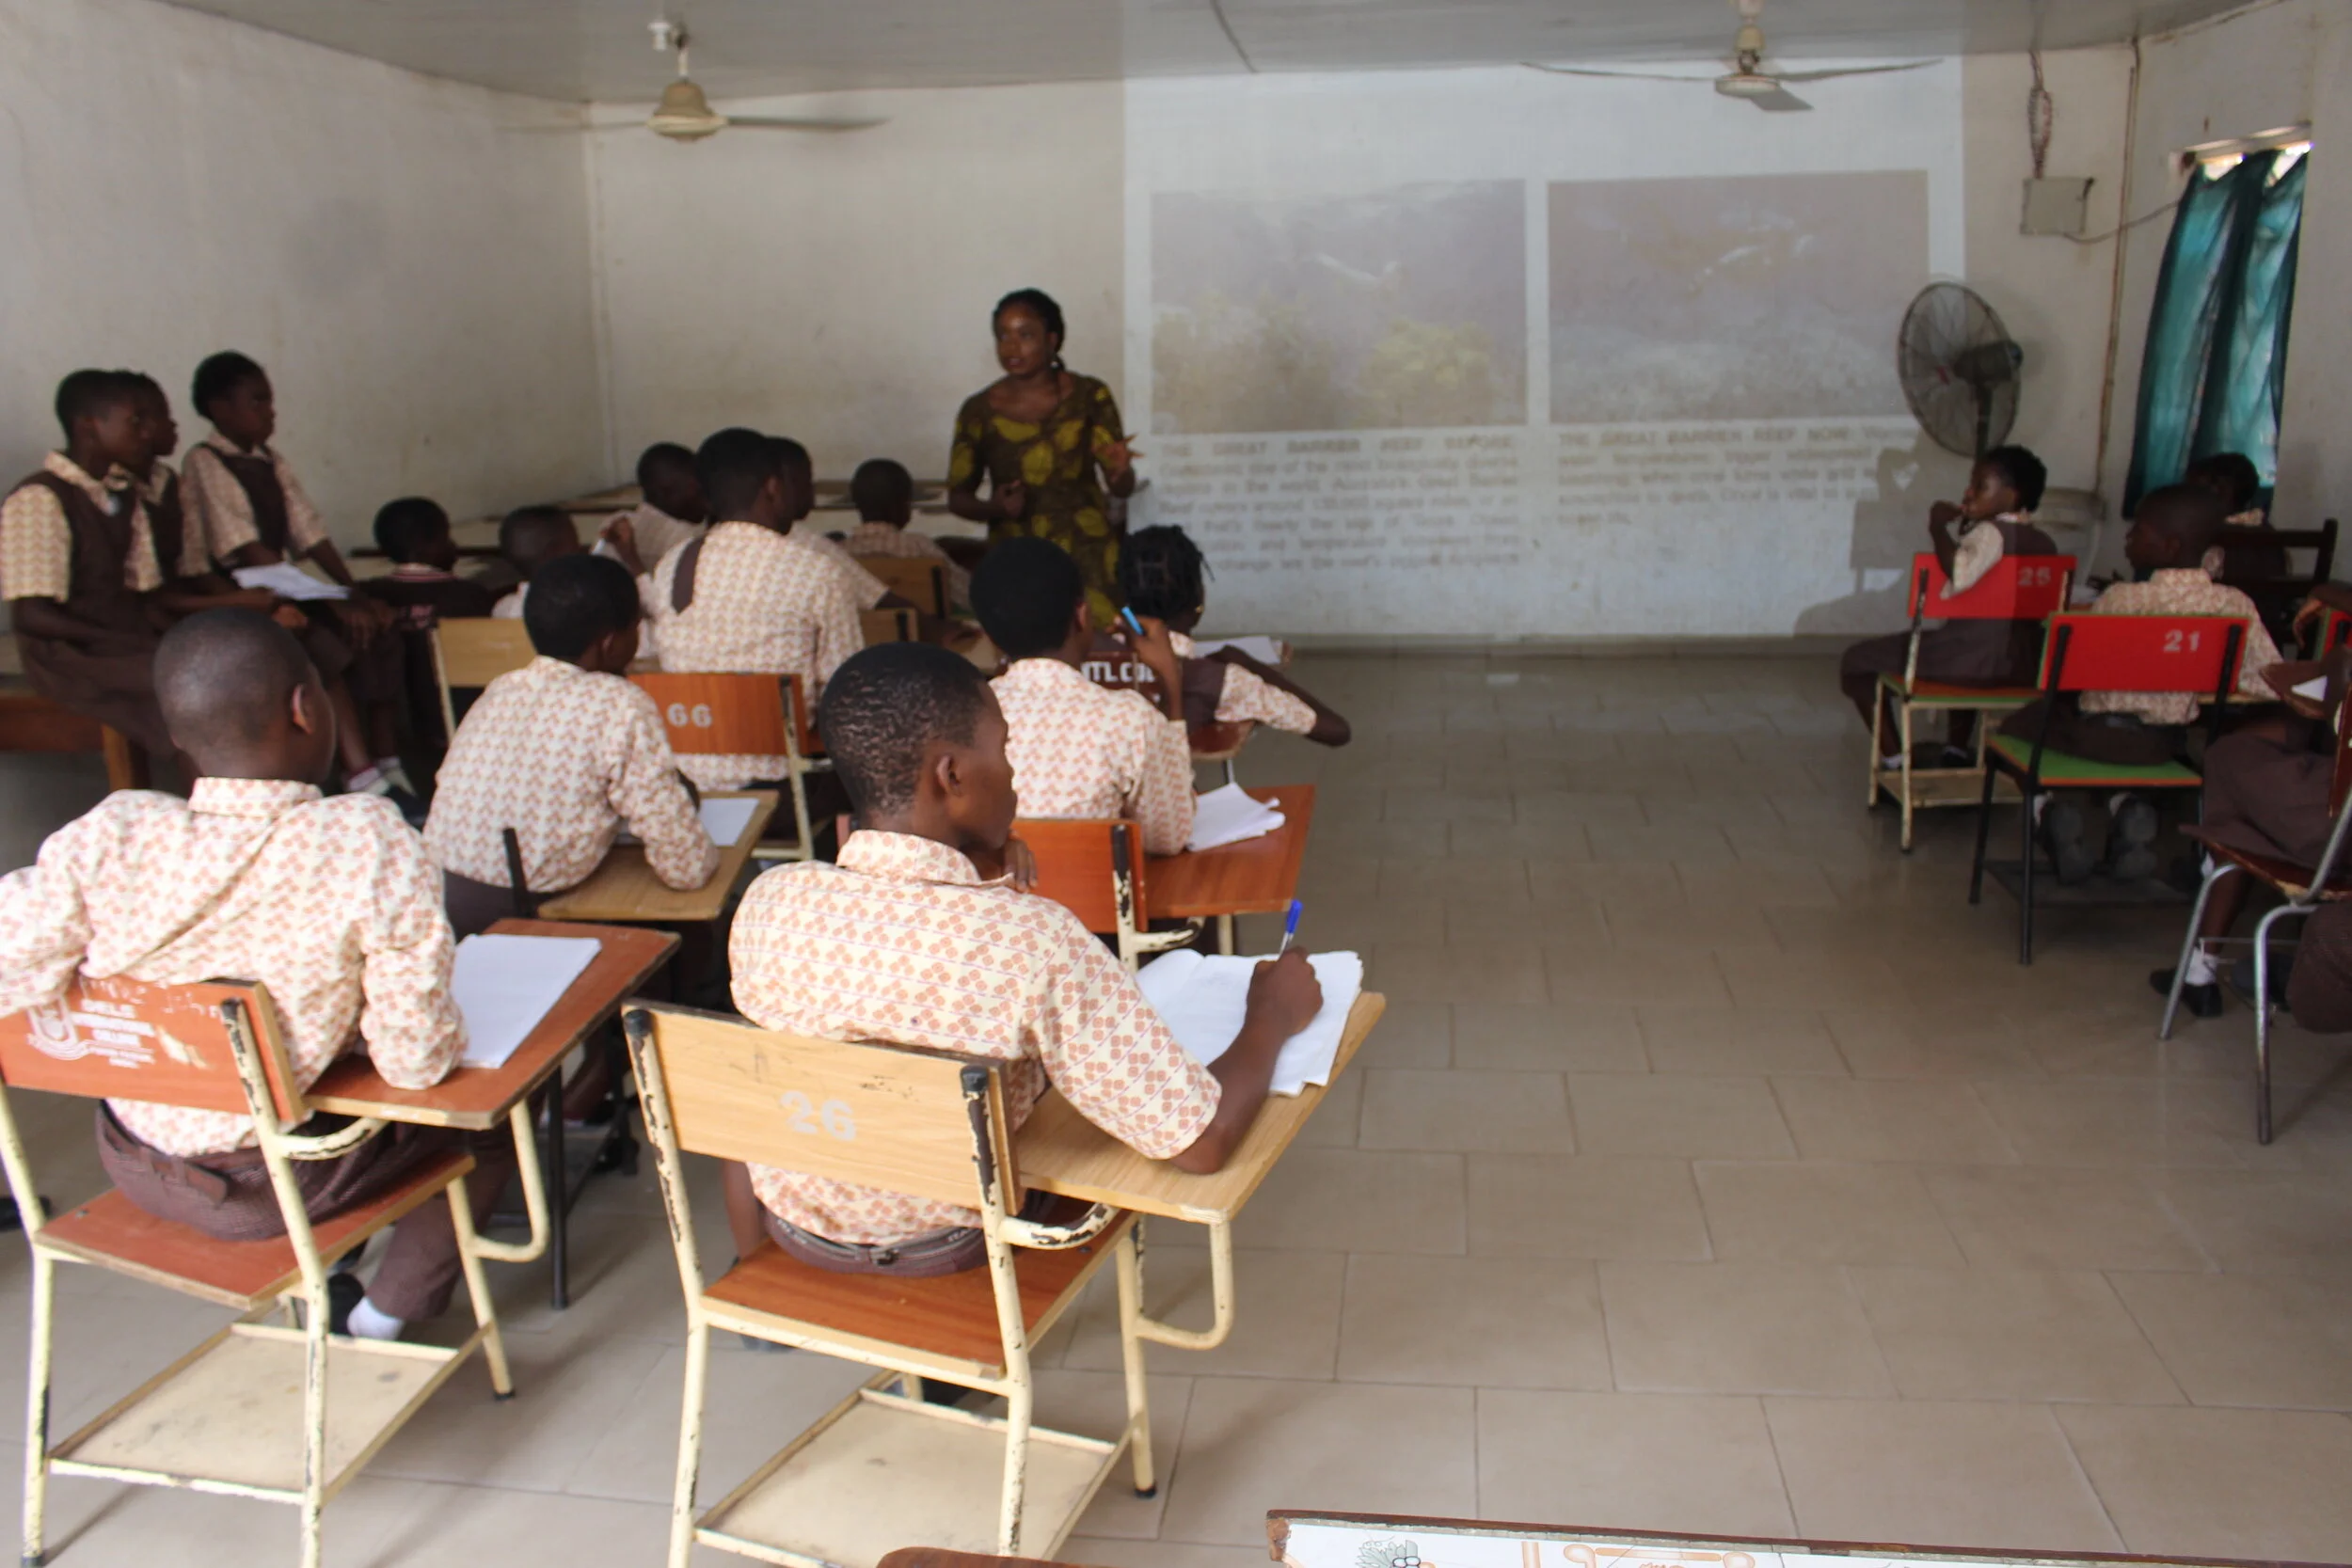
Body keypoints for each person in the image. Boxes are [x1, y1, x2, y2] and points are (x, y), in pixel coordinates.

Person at [723, 640, 1323, 1275]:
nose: (1013, 774)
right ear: (952, 776)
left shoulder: (770, 901)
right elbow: (1201, 1143)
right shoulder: (1031, 940)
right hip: (959, 1248)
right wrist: (1271, 1015)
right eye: (1004, 750)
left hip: (796, 1235)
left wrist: (982, 875)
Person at [0, 609, 510, 1342]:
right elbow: (415, 1062)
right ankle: (378, 1317)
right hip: (275, 1184)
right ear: (306, 708)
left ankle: (338, 1269)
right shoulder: (364, 839)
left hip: (132, 1159)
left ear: (178, 734)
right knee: (479, 1130)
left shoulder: (112, 834)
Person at [426, 554, 718, 938]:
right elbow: (687, 867)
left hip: (436, 897)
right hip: (519, 913)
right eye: (636, 627)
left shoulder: (502, 688)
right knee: (691, 925)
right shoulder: (619, 702)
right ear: (610, 643)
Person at [2002, 484, 2281, 883]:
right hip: (2164, 746)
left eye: (2139, 532)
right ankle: (2127, 807)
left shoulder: (2121, 598)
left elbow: (2072, 675)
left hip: (2100, 736)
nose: (2128, 538)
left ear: (2170, 546)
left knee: (2021, 724)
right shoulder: (2233, 604)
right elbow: (2267, 680)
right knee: (2110, 748)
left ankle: (2047, 814)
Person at [128, 372, 389, 789]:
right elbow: (244, 549)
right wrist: (299, 600)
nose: (270, 412)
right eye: (258, 401)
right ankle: (348, 774)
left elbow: (309, 532)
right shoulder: (203, 463)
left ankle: (379, 764)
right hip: (242, 590)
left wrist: (351, 590)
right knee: (312, 641)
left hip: (274, 587)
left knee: (369, 629)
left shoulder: (268, 460)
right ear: (220, 409)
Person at [647, 427, 864, 792]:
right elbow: (847, 692)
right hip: (786, 789)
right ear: (774, 488)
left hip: (688, 787)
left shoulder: (672, 563)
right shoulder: (815, 571)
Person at [970, 536, 1196, 855]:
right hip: (1095, 890)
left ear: (990, 637)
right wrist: (1171, 681)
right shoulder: (1127, 718)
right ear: (1082, 615)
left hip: (1000, 888)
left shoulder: (967, 712)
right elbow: (1169, 837)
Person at [1837, 445, 2055, 765]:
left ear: (2010, 496)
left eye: (1980, 486)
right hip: (2022, 666)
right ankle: (1956, 750)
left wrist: (1937, 528)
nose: (1968, 493)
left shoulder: (1989, 533)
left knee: (1856, 661)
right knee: (1968, 647)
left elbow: (1959, 573)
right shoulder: (2045, 543)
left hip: (1967, 662)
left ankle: (1896, 759)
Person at [1, 370, 172, 760]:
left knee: (214, 670)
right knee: (184, 686)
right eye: (135, 422)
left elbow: (144, 594)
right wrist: (127, 641)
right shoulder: (39, 498)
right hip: (64, 655)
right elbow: (32, 616)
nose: (147, 433)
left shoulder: (122, 493)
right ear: (89, 426)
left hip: (117, 642)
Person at [946, 288, 1138, 624]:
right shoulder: (978, 411)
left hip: (1088, 555)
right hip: (1019, 561)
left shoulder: (1090, 395)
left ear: (1052, 340)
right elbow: (958, 498)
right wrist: (995, 508)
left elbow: (1121, 487)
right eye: (1003, 336)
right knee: (1029, 642)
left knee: (1108, 639)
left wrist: (1121, 473)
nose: (1011, 347)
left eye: (1025, 335)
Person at [1119, 524, 1350, 745]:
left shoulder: (1098, 654)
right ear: (1199, 601)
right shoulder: (1221, 680)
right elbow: (1336, 730)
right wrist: (1250, 665)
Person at [842, 458, 969, 608]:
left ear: (857, 503)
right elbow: (969, 595)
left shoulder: (839, 552)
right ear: (903, 503)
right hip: (916, 623)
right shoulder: (919, 546)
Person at [362, 498, 499, 629]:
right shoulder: (470, 595)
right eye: (447, 537)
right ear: (434, 543)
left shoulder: (365, 594)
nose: (454, 545)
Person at [598, 441, 707, 576]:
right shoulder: (686, 539)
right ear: (666, 493)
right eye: (696, 489)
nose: (705, 496)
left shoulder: (613, 523)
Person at [489, 505, 584, 622]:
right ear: (557, 551)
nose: (580, 549)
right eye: (575, 541)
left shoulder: (504, 608)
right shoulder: (581, 607)